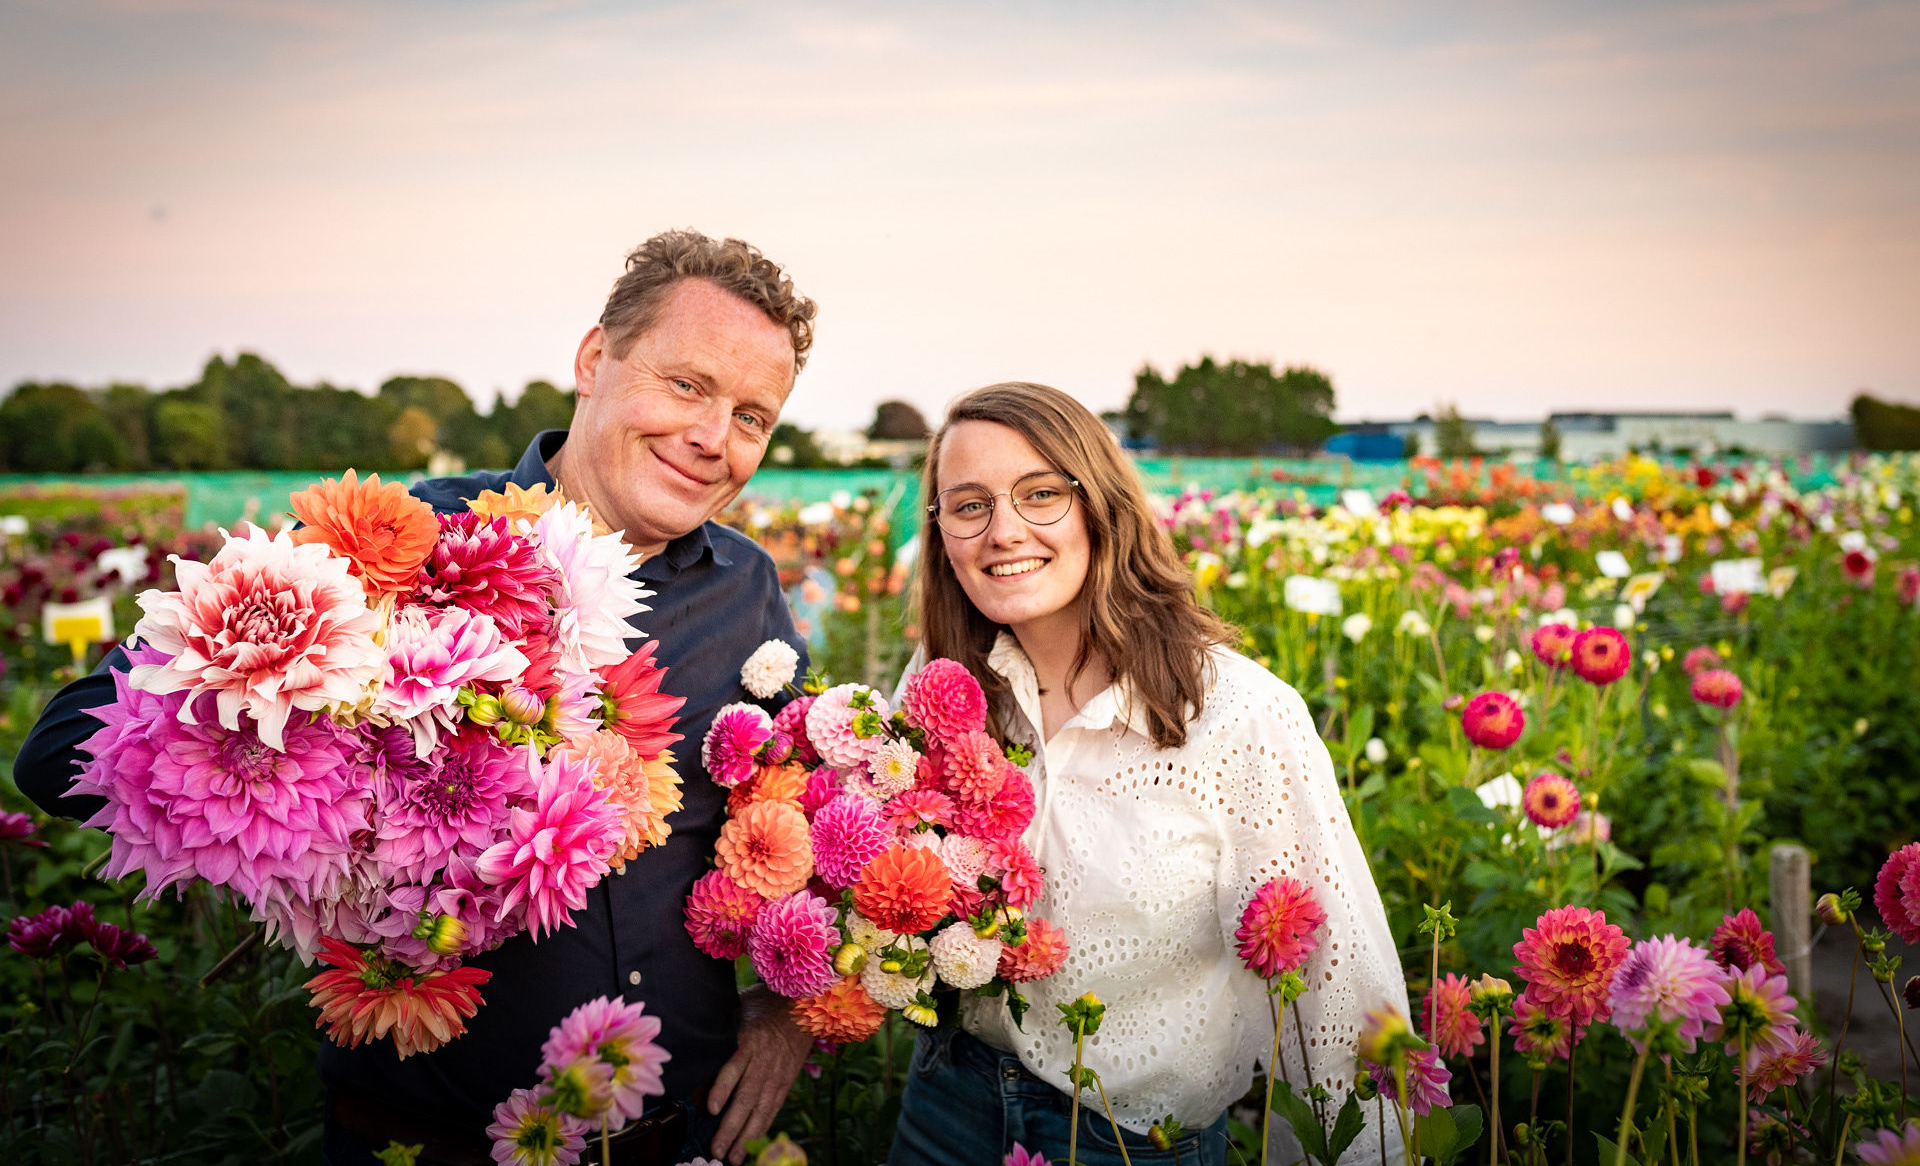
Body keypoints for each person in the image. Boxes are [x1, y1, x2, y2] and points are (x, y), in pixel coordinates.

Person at [14, 230, 821, 1166]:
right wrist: (321, 777)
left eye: (752, 417)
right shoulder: (392, 545)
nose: (713, 438)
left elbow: (794, 816)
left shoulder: (749, 590)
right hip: (432, 1144)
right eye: (687, 385)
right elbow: (59, 749)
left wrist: (784, 1008)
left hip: (681, 1141)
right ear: (596, 360)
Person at [886, 383, 1410, 1166]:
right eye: (968, 506)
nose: (1002, 531)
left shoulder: (1237, 716)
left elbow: (1336, 987)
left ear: (1100, 504)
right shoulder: (945, 681)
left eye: (1039, 495)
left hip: (1129, 1140)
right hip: (949, 1106)